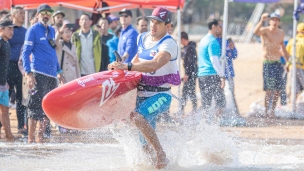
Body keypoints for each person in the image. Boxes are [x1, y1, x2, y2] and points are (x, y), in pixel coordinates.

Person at [108, 7, 180, 169]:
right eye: (152, 21)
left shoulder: (169, 44)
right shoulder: (143, 38)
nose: (153, 26)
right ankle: (153, 164)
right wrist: (119, 69)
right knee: (143, 143)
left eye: (158, 23)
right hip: (141, 94)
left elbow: (155, 64)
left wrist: (127, 65)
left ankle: (161, 153)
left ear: (167, 26)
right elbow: (137, 61)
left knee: (137, 117)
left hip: (161, 96)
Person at [22, 4, 65, 143]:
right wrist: (28, 73)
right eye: (43, 13)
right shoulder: (33, 30)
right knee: (34, 108)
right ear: (38, 15)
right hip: (38, 73)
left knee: (47, 108)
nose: (46, 15)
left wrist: (59, 71)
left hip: (52, 75)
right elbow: (25, 53)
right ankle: (30, 140)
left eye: (48, 13)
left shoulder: (52, 30)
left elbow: (53, 53)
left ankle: (39, 139)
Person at [254, 13, 289, 119]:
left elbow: (282, 48)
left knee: (278, 90)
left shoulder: (281, 33)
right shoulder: (265, 30)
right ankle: (266, 112)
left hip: (278, 62)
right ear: (270, 21)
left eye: (277, 20)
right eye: (273, 19)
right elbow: (255, 32)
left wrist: (288, 62)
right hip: (268, 63)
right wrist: (261, 20)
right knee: (269, 90)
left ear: (279, 22)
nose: (275, 22)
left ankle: (272, 111)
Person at [197, 19, 226, 123]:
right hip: (212, 74)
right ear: (214, 27)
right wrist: (222, 76)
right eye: (220, 26)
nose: (222, 29)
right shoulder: (213, 41)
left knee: (206, 103)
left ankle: (204, 124)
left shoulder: (203, 40)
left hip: (202, 75)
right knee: (221, 103)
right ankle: (216, 124)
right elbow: (214, 60)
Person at [55, 23, 80, 133]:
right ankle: (61, 124)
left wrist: (79, 79)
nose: (68, 34)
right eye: (65, 32)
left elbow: (76, 64)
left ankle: (72, 125)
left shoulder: (73, 45)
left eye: (69, 31)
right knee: (62, 103)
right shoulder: (59, 45)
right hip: (63, 77)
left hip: (73, 76)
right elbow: (55, 40)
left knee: (73, 102)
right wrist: (59, 32)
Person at [7, 7, 27, 135]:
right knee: (5, 97)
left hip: (22, 67)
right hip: (8, 65)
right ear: (13, 15)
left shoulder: (27, 31)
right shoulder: (8, 30)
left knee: (21, 98)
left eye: (23, 13)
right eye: (20, 13)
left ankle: (21, 126)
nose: (22, 15)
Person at [0, 19, 15, 142]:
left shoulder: (7, 43)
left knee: (5, 110)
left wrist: (5, 81)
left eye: (12, 29)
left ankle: (9, 135)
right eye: (9, 28)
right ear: (1, 29)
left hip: (3, 84)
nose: (12, 31)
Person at [179, 31, 197, 114]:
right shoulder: (188, 47)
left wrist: (187, 74)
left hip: (190, 74)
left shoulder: (190, 48)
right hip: (191, 73)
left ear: (182, 39)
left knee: (187, 92)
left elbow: (190, 62)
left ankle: (185, 109)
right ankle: (191, 109)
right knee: (188, 92)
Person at [286, 23, 304, 100]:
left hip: (292, 67)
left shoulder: (292, 40)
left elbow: (287, 54)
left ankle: (294, 106)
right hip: (302, 67)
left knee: (294, 88)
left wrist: (287, 65)